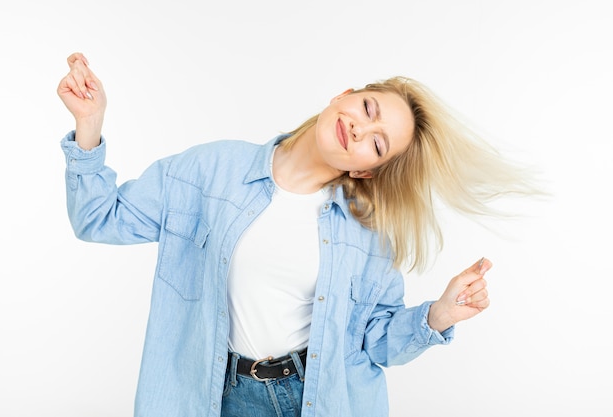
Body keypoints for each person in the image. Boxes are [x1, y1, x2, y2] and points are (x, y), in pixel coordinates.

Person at [57, 52, 536, 417]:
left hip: (312, 398)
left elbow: (376, 341)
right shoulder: (211, 170)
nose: (361, 128)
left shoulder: (370, 234)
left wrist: (437, 314)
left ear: (369, 171)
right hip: (207, 395)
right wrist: (89, 126)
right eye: (368, 108)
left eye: (377, 143)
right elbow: (100, 219)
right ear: (342, 96)